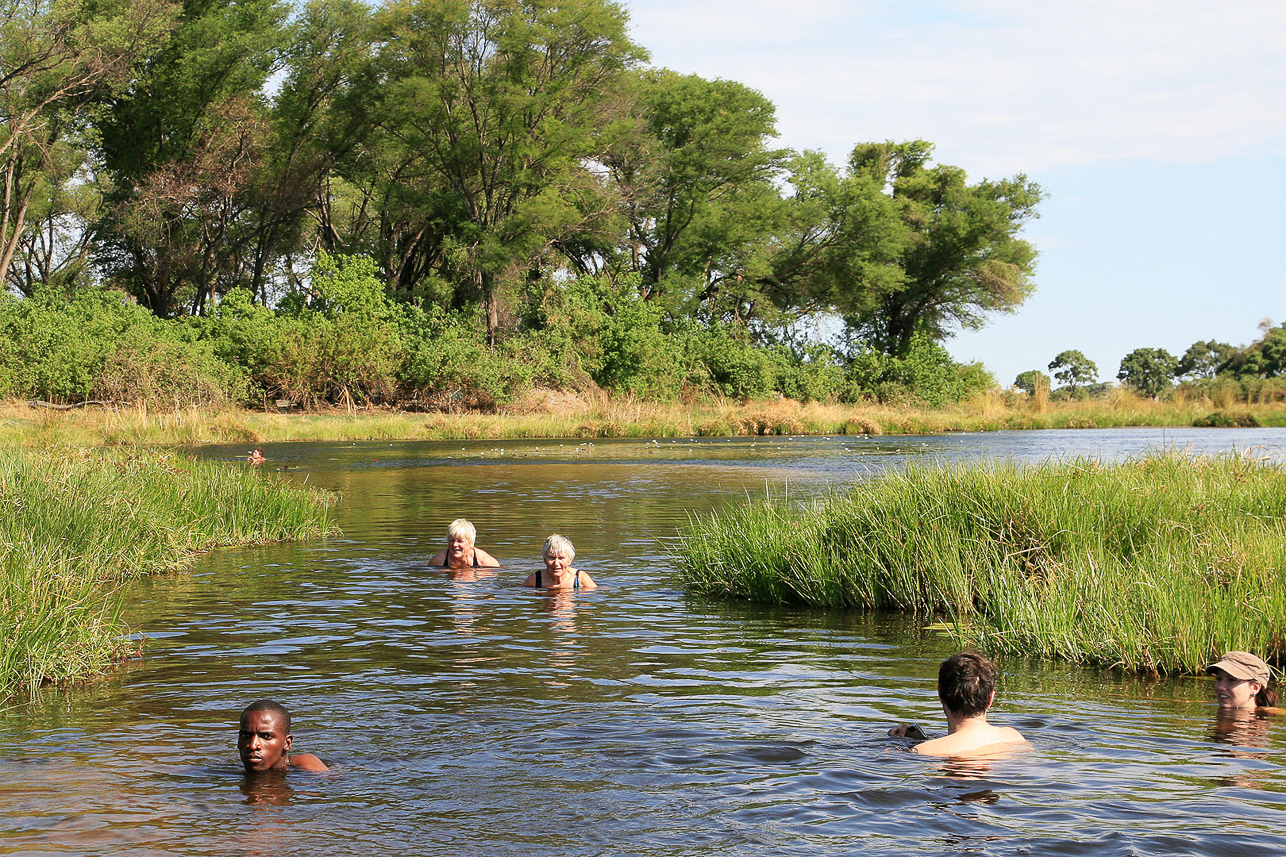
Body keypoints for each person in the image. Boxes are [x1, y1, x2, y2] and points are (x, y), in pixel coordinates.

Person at [888, 652, 1027, 757]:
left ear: (940, 694)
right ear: (991, 699)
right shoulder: (1014, 737)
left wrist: (897, 745)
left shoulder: (924, 751)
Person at [238, 700, 328, 773]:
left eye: (266, 736)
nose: (252, 745)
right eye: (245, 735)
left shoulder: (309, 769)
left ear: (287, 743)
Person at [1207, 651, 1279, 713]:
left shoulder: (1258, 726)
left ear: (1255, 688)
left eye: (1232, 680)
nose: (1219, 687)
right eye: (1219, 678)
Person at [524, 533, 596, 590]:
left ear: (570, 560)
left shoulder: (581, 578)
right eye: (551, 558)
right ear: (544, 559)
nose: (556, 564)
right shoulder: (535, 579)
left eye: (561, 558)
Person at [428, 518, 500, 570]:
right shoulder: (438, 561)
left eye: (460, 541)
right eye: (451, 540)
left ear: (471, 543)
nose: (455, 544)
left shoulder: (486, 562)